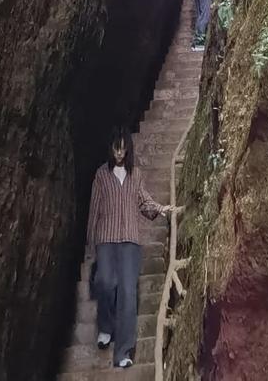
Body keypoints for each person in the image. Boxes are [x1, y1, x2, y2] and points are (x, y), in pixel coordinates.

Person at [85, 129, 172, 368]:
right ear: (111, 149)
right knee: (105, 281)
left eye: (123, 148)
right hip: (106, 238)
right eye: (116, 148)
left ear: (128, 149)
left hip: (130, 241)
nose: (120, 153)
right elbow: (94, 210)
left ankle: (123, 352)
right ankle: (105, 326)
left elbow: (144, 201)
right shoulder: (101, 175)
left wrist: (161, 209)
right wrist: (90, 245)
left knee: (127, 294)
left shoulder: (136, 175)